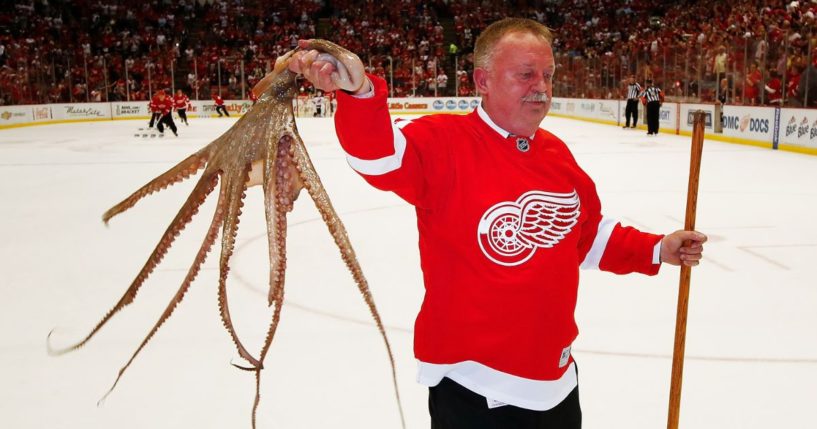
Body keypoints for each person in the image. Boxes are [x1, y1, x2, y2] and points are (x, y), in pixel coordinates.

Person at [290, 18, 706, 429]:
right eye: (525, 74)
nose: (541, 86)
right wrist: (361, 93)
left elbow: (585, 235)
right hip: (475, 389)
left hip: (557, 383)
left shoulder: (556, 153)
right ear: (482, 81)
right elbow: (379, 158)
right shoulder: (443, 140)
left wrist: (656, 248)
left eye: (548, 74)